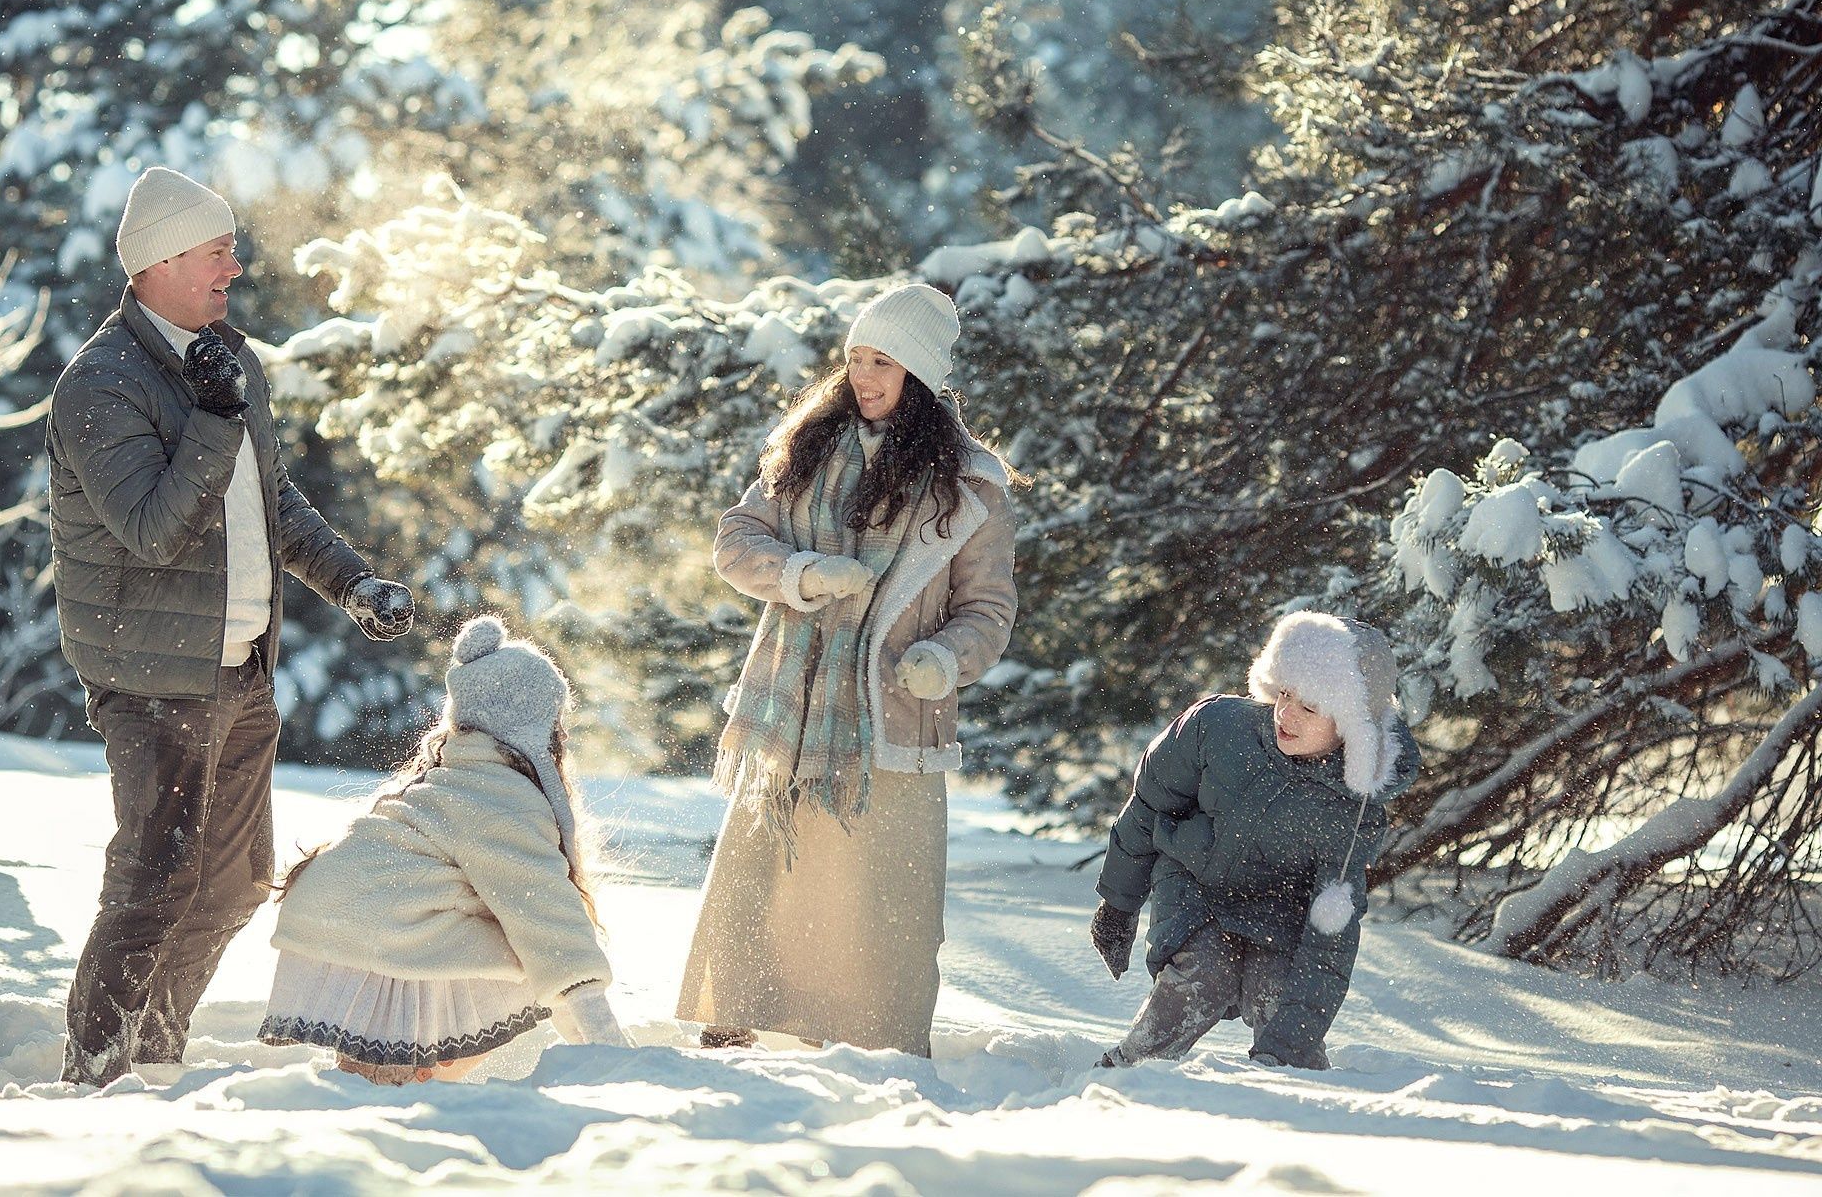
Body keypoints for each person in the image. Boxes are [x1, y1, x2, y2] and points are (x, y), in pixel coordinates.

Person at [47, 166, 418, 1087]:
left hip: (240, 669)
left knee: (233, 882)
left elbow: (270, 500)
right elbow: (154, 531)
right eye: (217, 253)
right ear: (161, 260)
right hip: (155, 675)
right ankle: (94, 1072)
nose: (234, 268)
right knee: (153, 882)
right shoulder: (99, 385)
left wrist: (351, 581)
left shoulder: (228, 359)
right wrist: (213, 418)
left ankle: (154, 1054)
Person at [676, 282, 1020, 1057]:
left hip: (894, 717)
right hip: (790, 712)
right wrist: (802, 572)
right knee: (765, 877)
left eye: (884, 362)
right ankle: (733, 1018)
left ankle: (878, 1047)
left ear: (922, 375)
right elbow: (736, 541)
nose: (864, 376)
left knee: (878, 901)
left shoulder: (972, 490)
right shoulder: (806, 451)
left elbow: (988, 610)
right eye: (856, 358)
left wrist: (943, 659)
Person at [261, 614, 630, 1083]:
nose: (563, 736)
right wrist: (609, 1047)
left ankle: (383, 1078)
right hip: (382, 930)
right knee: (527, 953)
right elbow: (546, 916)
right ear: (531, 726)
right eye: (555, 722)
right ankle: (412, 1081)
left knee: (522, 953)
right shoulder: (499, 798)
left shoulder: (453, 778)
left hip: (340, 921)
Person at [1088, 611, 1421, 1071]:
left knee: (1278, 1000)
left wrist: (1286, 1047)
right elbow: (1148, 805)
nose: (1286, 713)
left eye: (1310, 707)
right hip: (1194, 886)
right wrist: (1119, 904)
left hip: (1280, 909)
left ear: (1350, 723)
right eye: (1284, 693)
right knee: (1204, 975)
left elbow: (1332, 927)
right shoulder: (1218, 728)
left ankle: (1291, 1091)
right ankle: (1127, 1071)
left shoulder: (1352, 808)